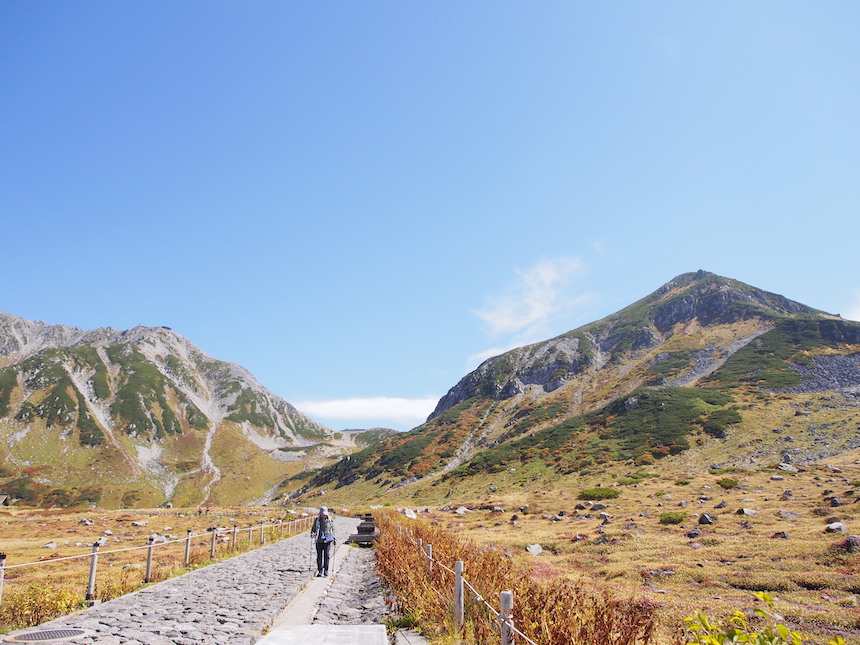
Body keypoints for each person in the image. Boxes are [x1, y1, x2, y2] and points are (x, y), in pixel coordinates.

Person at [310, 506, 335, 577]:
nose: (323, 515)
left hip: (327, 540)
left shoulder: (330, 520)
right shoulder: (317, 520)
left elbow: (333, 529)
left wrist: (334, 538)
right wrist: (312, 533)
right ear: (320, 514)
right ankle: (320, 570)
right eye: (322, 514)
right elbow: (314, 528)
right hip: (319, 540)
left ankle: (326, 570)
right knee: (319, 556)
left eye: (324, 514)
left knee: (326, 555)